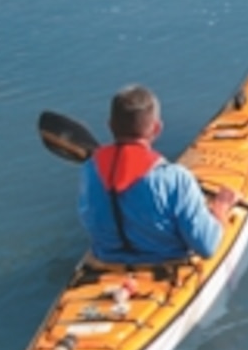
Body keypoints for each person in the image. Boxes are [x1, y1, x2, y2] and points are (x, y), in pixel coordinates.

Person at [79, 83, 235, 265]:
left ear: (110, 126)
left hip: (107, 260)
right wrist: (221, 208)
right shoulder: (176, 178)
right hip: (166, 264)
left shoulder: (90, 169)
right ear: (156, 129)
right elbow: (208, 246)